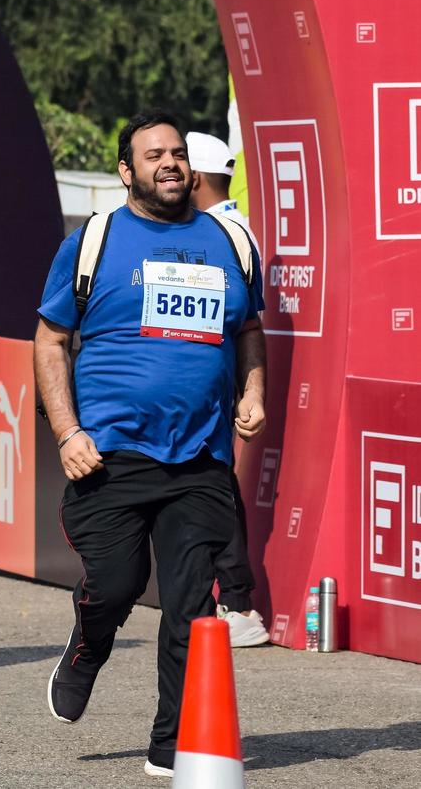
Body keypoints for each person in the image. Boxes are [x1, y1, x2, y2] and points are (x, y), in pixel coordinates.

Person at [34, 110, 266, 778]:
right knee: (116, 583)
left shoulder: (228, 242)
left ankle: (172, 745)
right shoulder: (97, 241)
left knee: (193, 607)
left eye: (178, 153)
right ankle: (88, 647)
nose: (170, 162)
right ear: (125, 170)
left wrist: (254, 394)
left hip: (198, 456)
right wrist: (67, 431)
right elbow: (50, 340)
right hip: (110, 454)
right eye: (154, 153)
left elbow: (248, 328)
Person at [187, 130, 269, 648]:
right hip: (221, 386)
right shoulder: (230, 228)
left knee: (213, 490)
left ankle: (237, 603)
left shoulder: (221, 234)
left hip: (217, 388)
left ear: (193, 177)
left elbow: (239, 324)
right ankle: (228, 599)